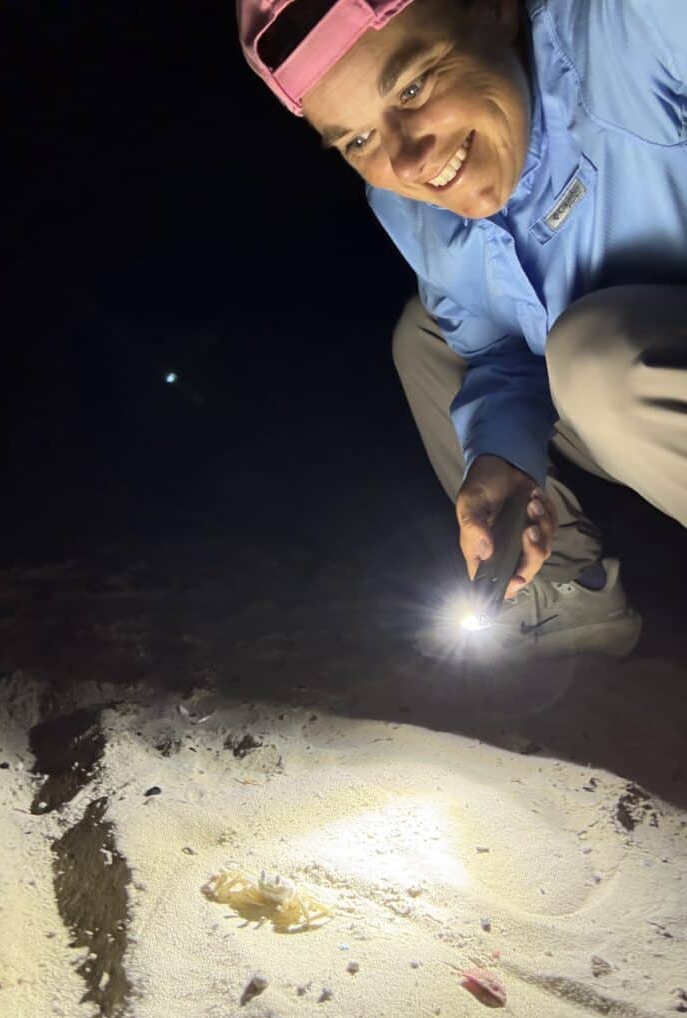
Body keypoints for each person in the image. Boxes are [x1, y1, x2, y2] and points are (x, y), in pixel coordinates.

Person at [236, 0, 687, 659]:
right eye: (359, 141)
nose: (410, 160)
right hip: (633, 389)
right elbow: (504, 354)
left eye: (415, 85)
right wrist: (501, 459)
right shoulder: (404, 206)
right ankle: (566, 590)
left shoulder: (622, 31)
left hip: (621, 376)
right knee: (426, 338)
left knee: (592, 361)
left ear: (493, 10)